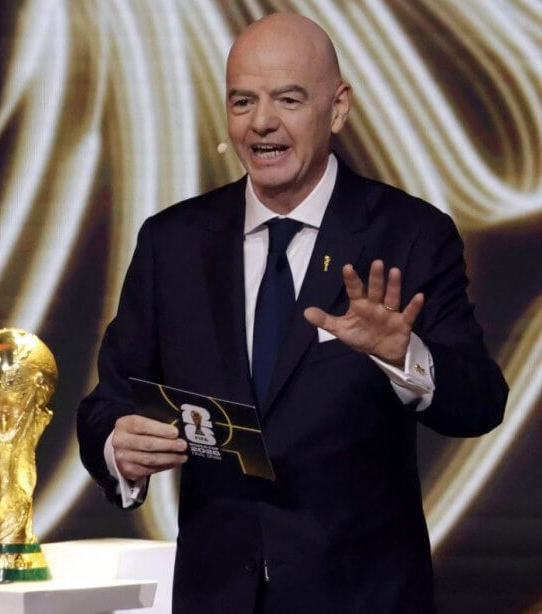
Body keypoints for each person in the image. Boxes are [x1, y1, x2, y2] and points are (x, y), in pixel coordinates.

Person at [76, 13, 508, 613]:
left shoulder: (410, 235)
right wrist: (117, 449)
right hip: (217, 598)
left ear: (338, 108)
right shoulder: (171, 243)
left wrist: (404, 357)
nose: (262, 122)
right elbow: (109, 402)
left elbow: (481, 401)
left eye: (288, 99)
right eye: (243, 100)